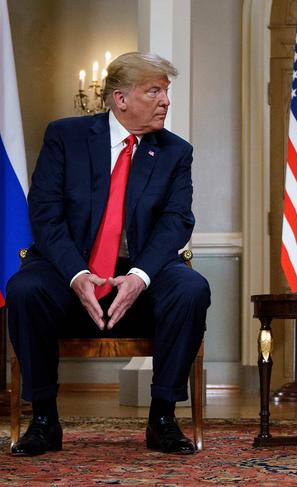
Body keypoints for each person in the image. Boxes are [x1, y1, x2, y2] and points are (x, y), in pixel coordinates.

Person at [7, 52, 211, 456]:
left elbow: (176, 222)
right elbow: (46, 216)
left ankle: (163, 419)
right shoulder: (65, 136)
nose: (165, 101)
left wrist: (139, 277)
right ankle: (44, 419)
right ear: (120, 98)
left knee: (191, 288)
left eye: (165, 92)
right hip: (71, 272)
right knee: (25, 288)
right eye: (155, 91)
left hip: (141, 276)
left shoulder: (174, 152)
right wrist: (77, 275)